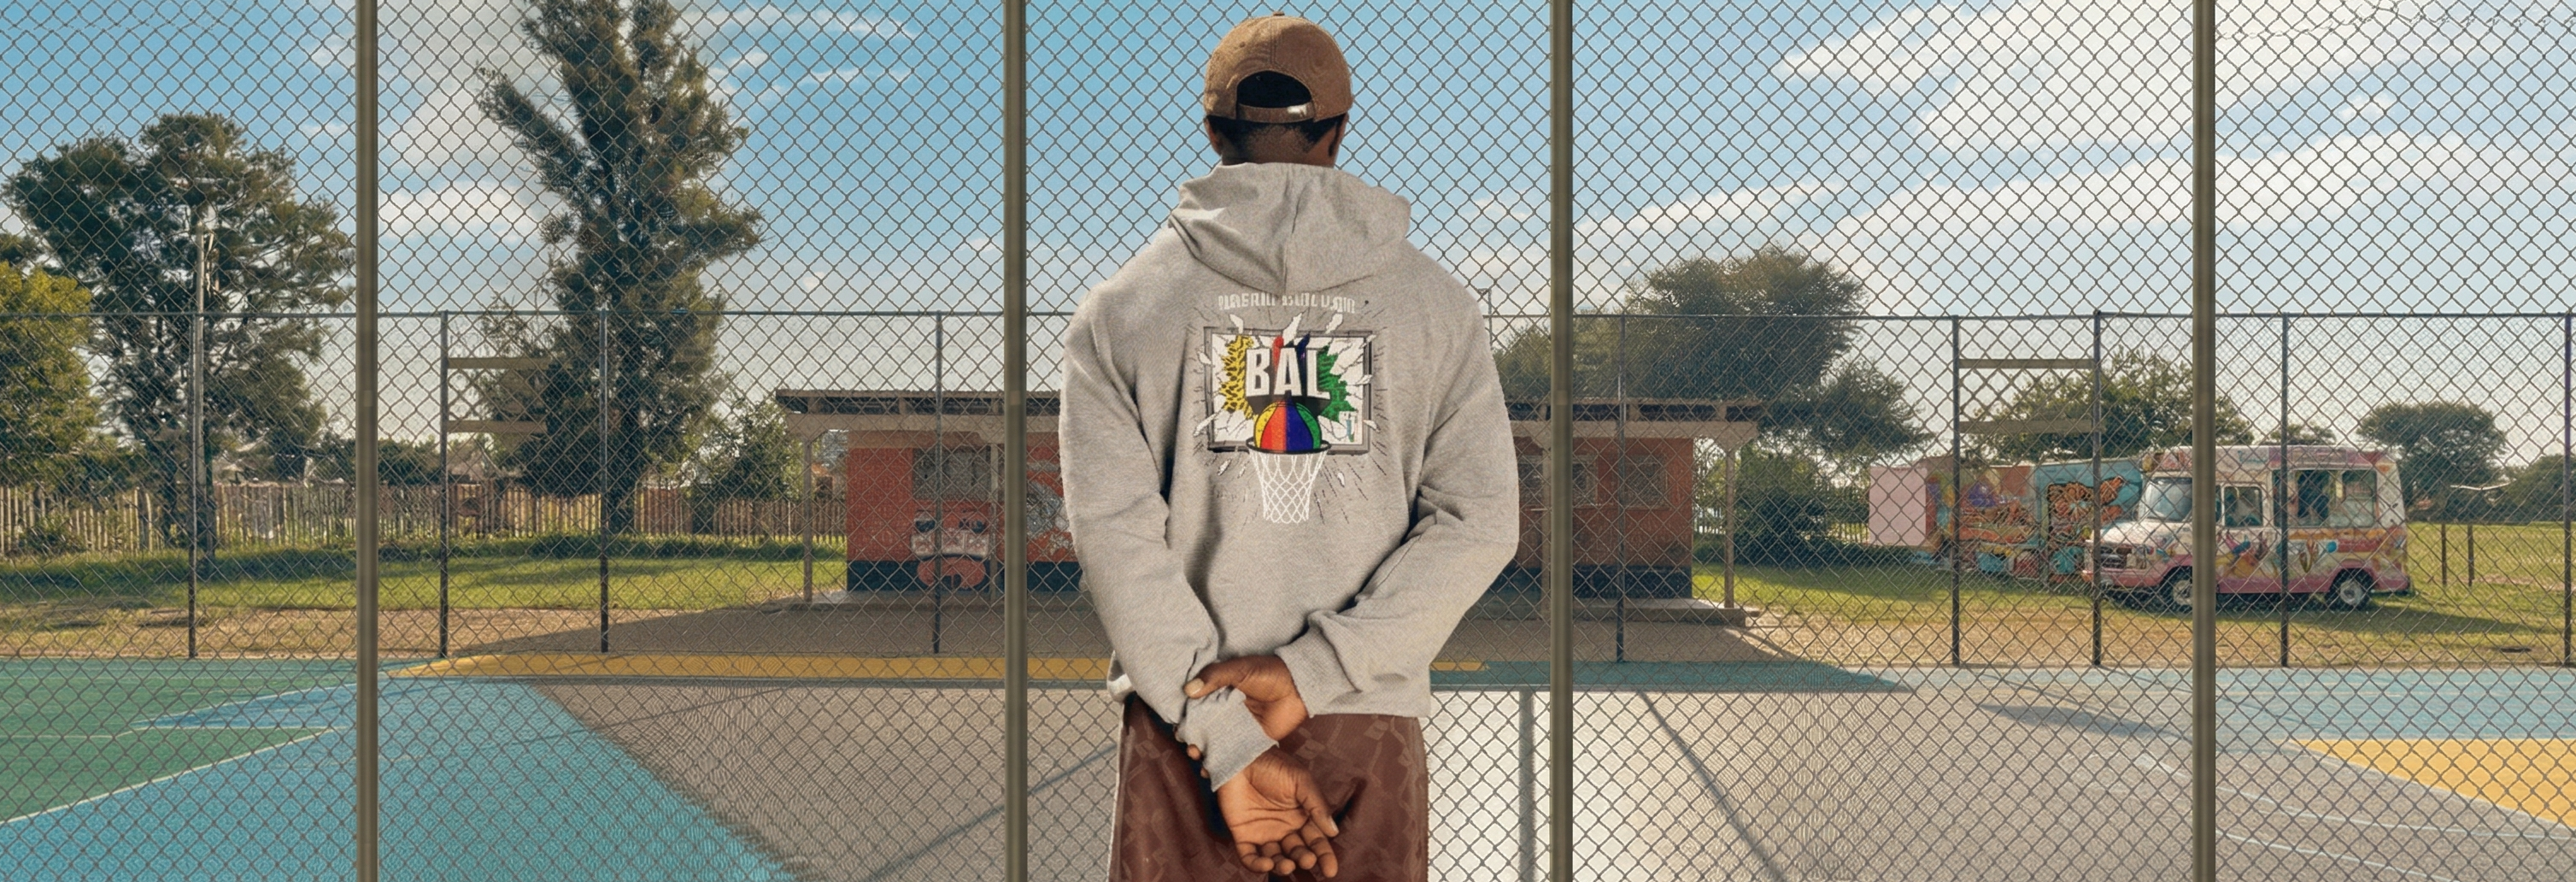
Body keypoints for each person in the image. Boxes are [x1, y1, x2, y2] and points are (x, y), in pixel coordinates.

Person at [1059, 13, 1518, 881]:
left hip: (1185, 727)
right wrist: (1315, 671)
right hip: (1364, 716)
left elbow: (1116, 540)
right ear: (1339, 132)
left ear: (1211, 132)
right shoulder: (1438, 306)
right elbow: (1481, 524)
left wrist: (1228, 741)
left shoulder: (1121, 310)